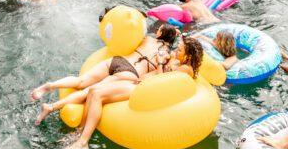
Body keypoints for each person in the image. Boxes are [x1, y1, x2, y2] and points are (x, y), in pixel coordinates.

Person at [59, 36, 204, 149]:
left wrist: (160, 63)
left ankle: (83, 142)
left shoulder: (186, 69)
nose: (176, 51)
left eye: (180, 50)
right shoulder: (178, 61)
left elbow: (161, 82)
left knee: (98, 95)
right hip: (139, 83)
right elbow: (170, 54)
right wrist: (165, 54)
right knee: (92, 91)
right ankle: (79, 132)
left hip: (145, 91)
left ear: (188, 56)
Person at [31, 21, 183, 107]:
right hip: (130, 73)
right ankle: (51, 107)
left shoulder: (147, 39)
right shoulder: (168, 55)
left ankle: (49, 86)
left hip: (118, 60)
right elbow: (160, 73)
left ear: (160, 33)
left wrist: (171, 30)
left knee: (81, 81)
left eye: (159, 30)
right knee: (89, 91)